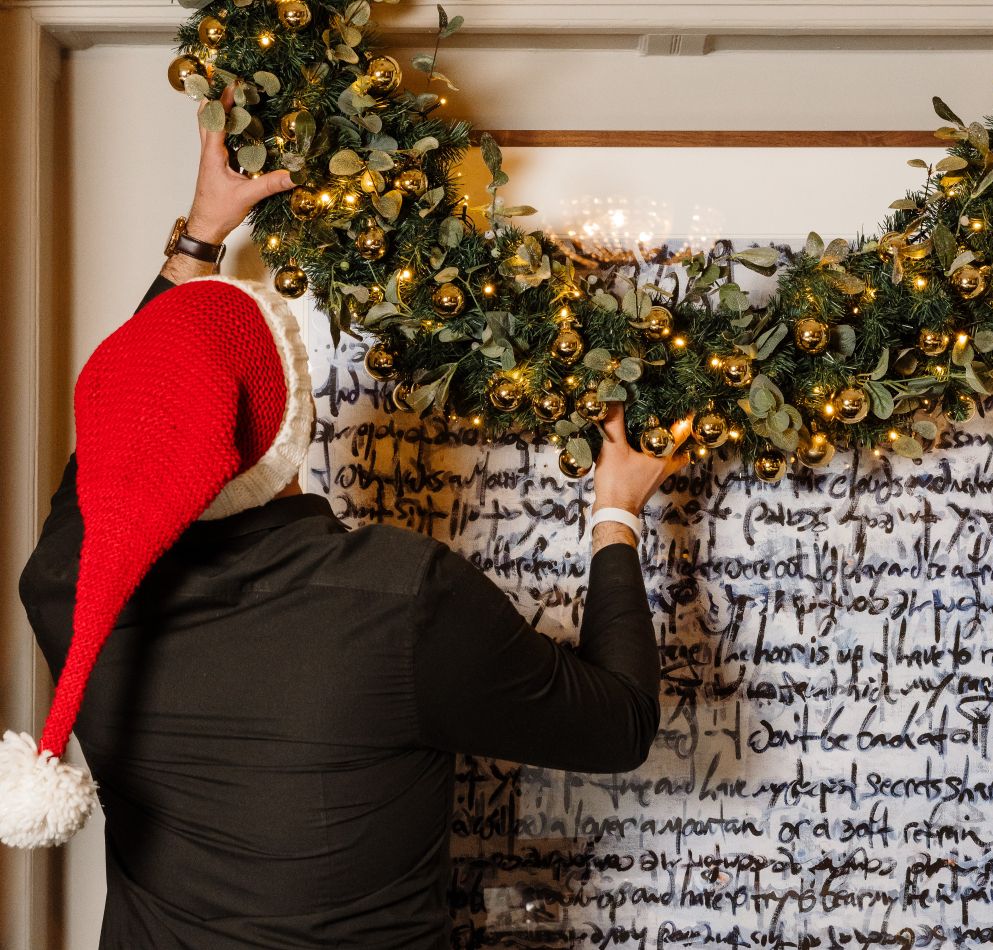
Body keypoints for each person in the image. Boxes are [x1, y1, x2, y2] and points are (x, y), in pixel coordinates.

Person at [1, 82, 691, 947]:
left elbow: (135, 421)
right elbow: (619, 723)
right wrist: (616, 515)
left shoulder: (63, 582)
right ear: (297, 429)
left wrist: (199, 236)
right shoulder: (401, 599)